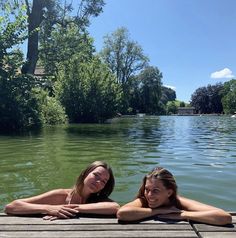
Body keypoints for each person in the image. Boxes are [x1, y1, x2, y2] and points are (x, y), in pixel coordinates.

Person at [5, 161, 120, 220]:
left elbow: (115, 207)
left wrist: (71, 209)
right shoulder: (60, 195)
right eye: (96, 175)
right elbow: (11, 207)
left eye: (104, 181)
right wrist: (48, 208)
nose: (99, 182)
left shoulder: (99, 201)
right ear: (85, 174)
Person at [117, 167, 232, 225]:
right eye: (147, 189)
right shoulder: (143, 200)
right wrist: (159, 211)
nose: (149, 195)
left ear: (169, 192)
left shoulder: (179, 202)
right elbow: (122, 214)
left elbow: (224, 217)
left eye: (156, 190)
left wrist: (183, 214)